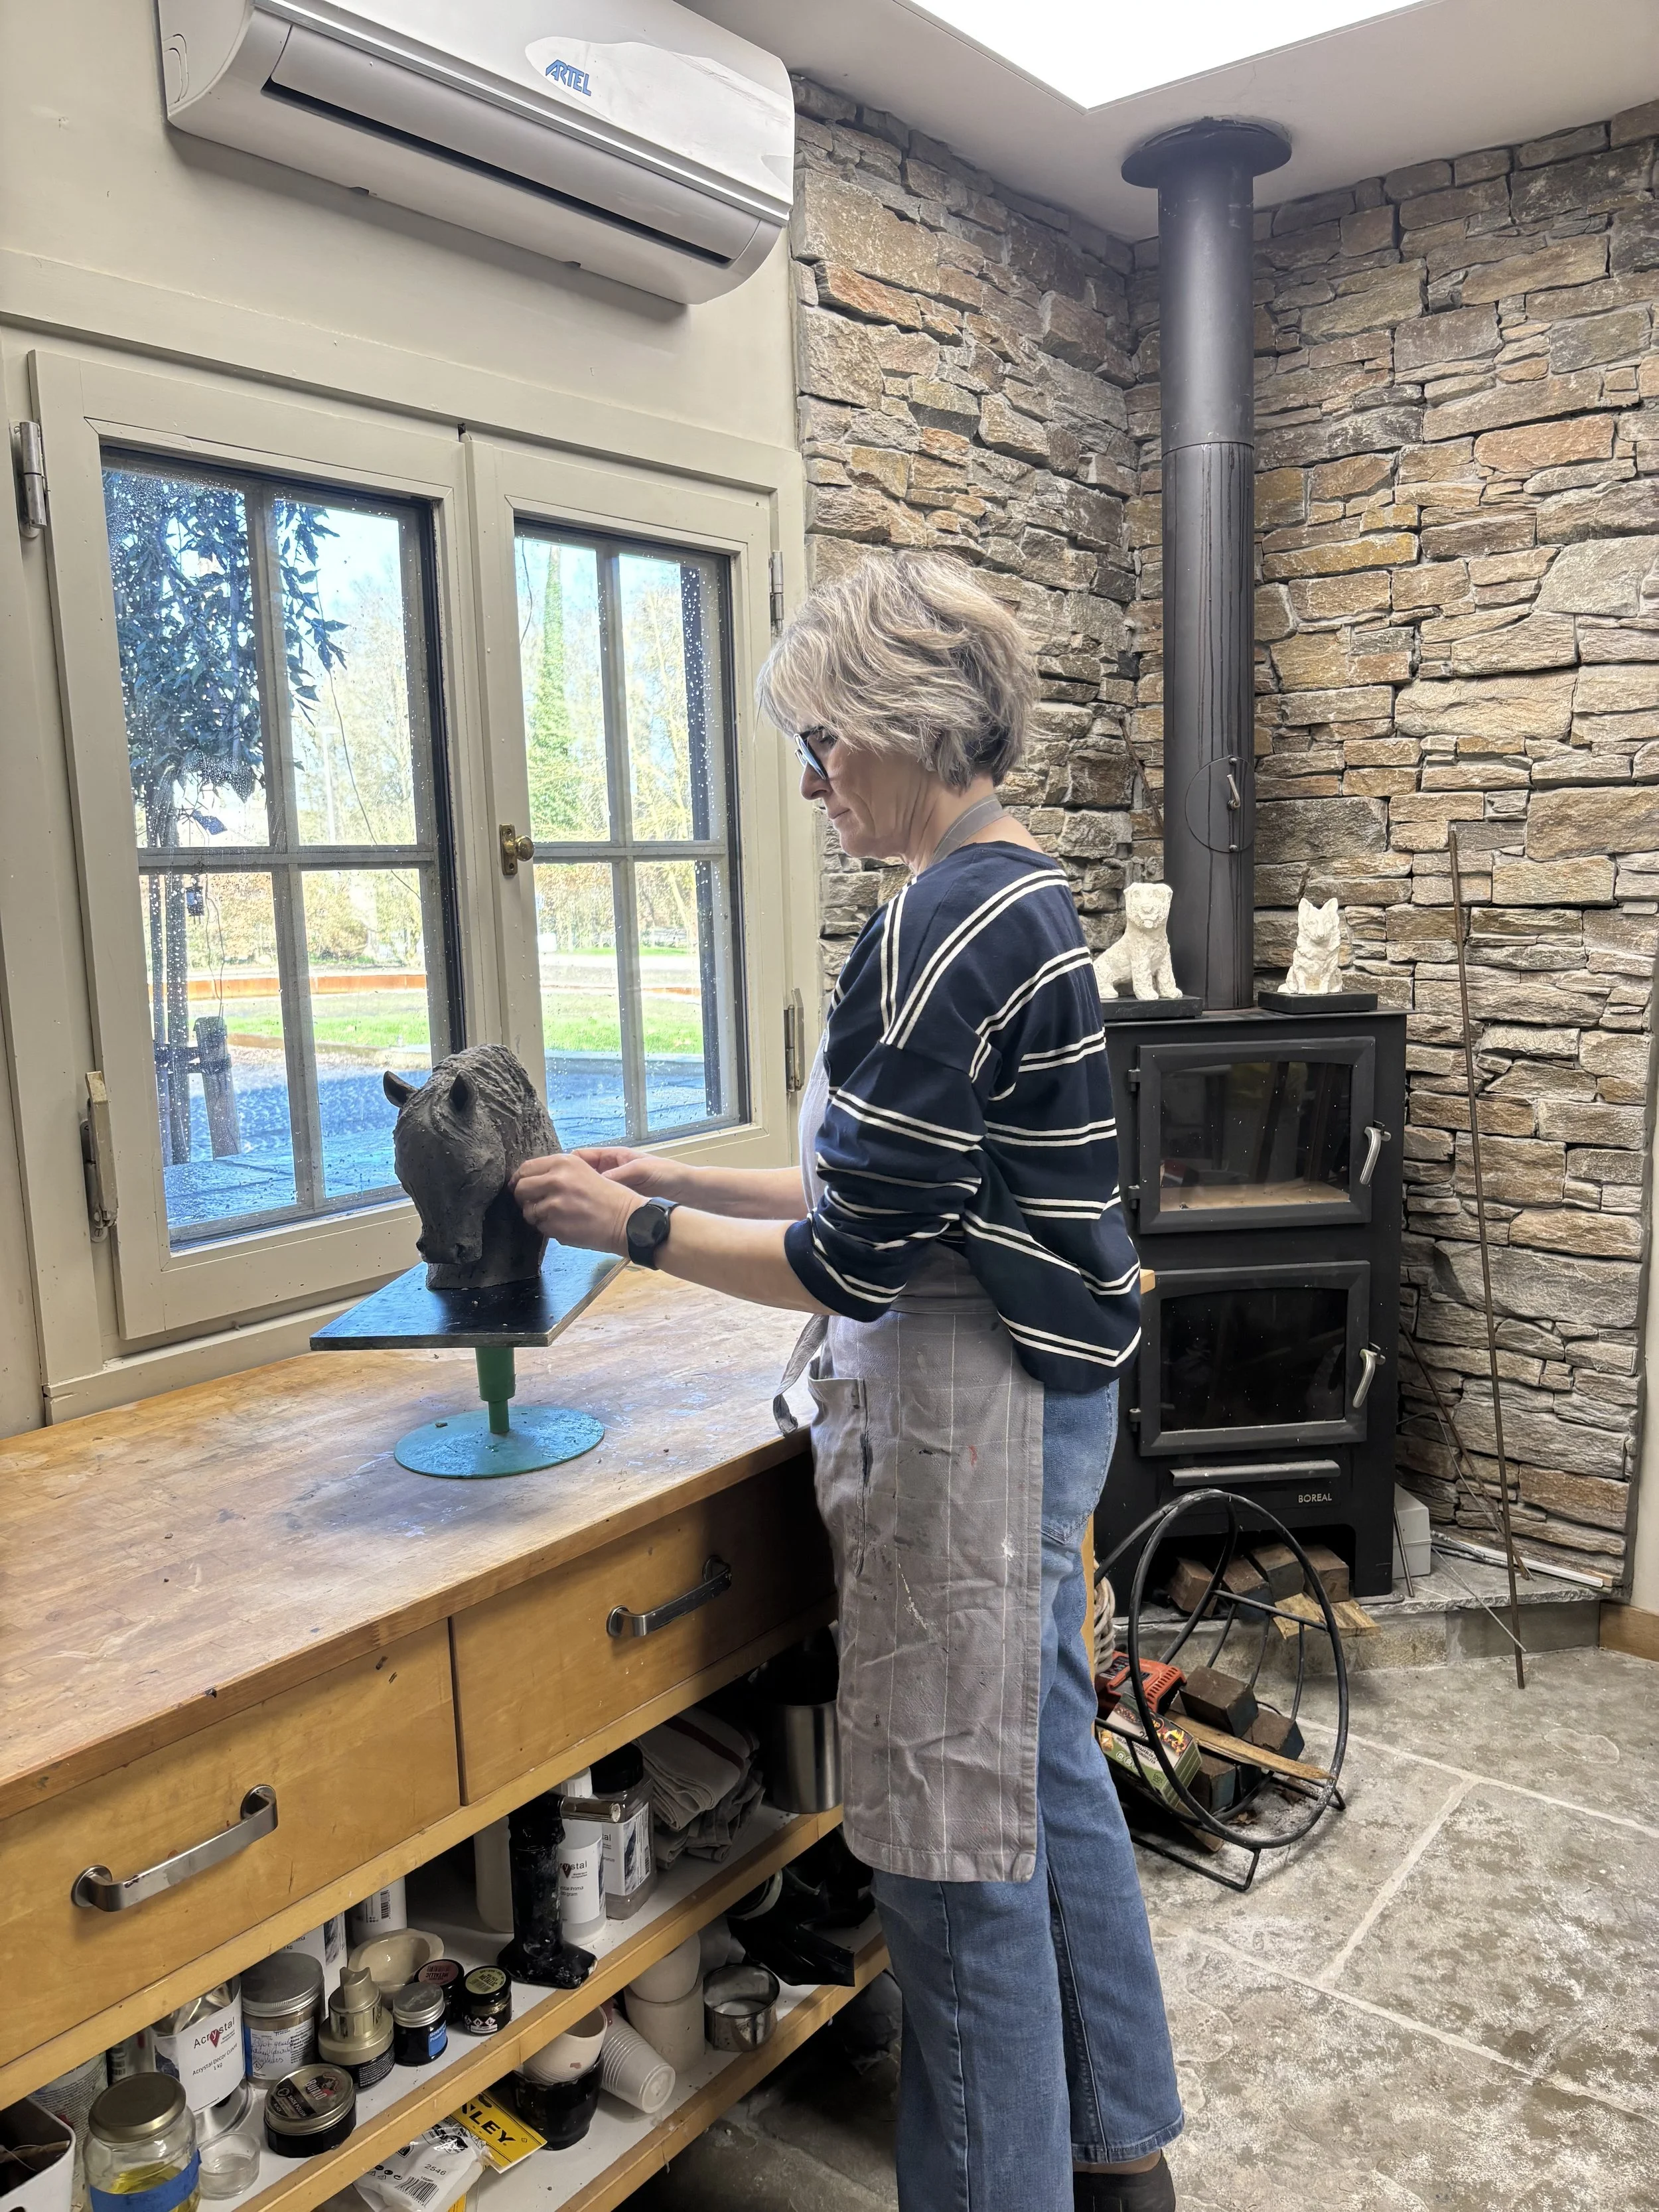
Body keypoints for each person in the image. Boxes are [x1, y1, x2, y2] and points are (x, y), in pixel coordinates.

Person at [514, 552, 1183, 2212]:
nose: (813, 785)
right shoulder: (1025, 896)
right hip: (1044, 1393)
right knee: (1035, 1768)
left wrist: (639, 1230)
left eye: (822, 746)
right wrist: (676, 1174)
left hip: (969, 1416)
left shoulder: (936, 929)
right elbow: (887, 1187)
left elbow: (849, 1266)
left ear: (903, 723)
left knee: (948, 1853)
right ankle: (1119, 2147)